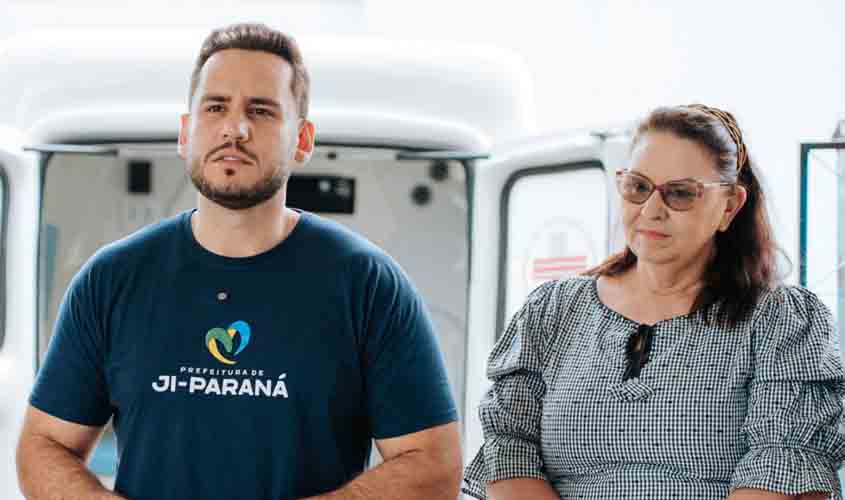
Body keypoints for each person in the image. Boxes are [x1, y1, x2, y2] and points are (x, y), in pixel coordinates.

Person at [16, 23, 461, 500]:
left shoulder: (367, 285)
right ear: (186, 133)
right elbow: (43, 446)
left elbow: (434, 465)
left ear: (302, 139)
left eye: (261, 111)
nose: (235, 128)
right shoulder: (112, 279)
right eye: (215, 107)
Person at [462, 104, 845, 499]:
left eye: (680, 193)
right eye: (638, 187)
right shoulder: (553, 310)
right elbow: (509, 453)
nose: (651, 210)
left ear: (729, 206)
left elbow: (784, 469)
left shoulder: (781, 321)